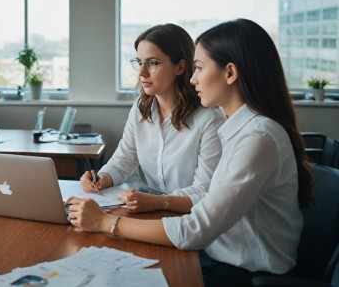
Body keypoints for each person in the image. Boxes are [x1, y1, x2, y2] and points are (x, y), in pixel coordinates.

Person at [68, 19, 314, 286]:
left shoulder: (256, 137)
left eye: (198, 68)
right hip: (215, 257)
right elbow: (204, 212)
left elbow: (196, 229)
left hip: (244, 274)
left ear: (230, 73)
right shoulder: (241, 129)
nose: (193, 78)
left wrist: (107, 223)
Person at [81, 23, 224, 213]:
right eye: (140, 63)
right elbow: (123, 160)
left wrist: (156, 202)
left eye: (153, 63)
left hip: (189, 218)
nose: (141, 73)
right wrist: (101, 179)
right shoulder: (141, 107)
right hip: (148, 210)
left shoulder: (209, 119)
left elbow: (204, 191)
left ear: (180, 67)